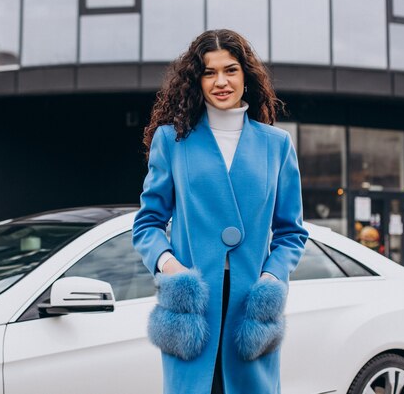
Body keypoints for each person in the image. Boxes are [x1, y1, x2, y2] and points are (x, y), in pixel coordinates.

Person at [132, 29, 308, 394]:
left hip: (251, 305)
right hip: (193, 303)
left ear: (246, 76)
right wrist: (172, 269)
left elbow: (292, 232)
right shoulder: (172, 139)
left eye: (230, 70)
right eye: (209, 72)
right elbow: (147, 224)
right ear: (197, 80)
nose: (221, 81)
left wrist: (272, 279)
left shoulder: (277, 146)